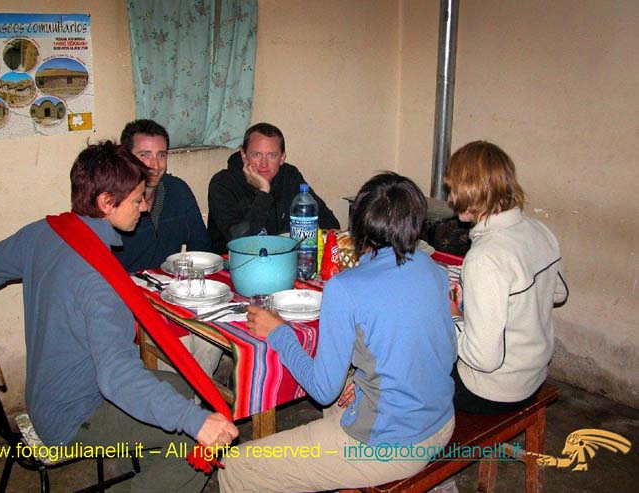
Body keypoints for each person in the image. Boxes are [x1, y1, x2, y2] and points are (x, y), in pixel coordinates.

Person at [0, 141, 238, 493]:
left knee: (183, 387)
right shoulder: (101, 282)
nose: (144, 208)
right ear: (106, 202)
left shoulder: (46, 231)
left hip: (46, 396)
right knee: (194, 444)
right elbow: (118, 378)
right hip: (74, 416)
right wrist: (196, 423)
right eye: (137, 199)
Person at [219, 172, 457, 492]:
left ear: (358, 226)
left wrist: (279, 332)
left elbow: (322, 390)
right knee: (344, 389)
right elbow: (443, 353)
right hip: (441, 422)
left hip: (389, 446)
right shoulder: (434, 270)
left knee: (236, 465)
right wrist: (361, 380)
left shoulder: (346, 287)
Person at [444, 141, 569, 414]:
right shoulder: (538, 230)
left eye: (454, 189)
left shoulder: (485, 257)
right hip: (533, 375)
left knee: (411, 353)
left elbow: (483, 358)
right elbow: (558, 293)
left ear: (473, 191)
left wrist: (454, 315)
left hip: (490, 390)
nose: (451, 199)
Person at [207, 122, 340, 253]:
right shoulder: (222, 184)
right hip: (232, 268)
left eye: (272, 155)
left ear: (282, 158)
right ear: (243, 155)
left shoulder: (289, 176)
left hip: (286, 263)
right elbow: (243, 244)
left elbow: (330, 224)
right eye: (256, 155)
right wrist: (264, 192)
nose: (264, 164)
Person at [114, 119, 211, 272]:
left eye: (161, 155)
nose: (155, 165)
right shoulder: (113, 201)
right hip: (124, 289)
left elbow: (202, 249)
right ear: (126, 157)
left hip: (169, 288)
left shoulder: (178, 190)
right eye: (144, 155)